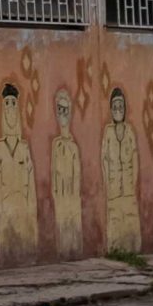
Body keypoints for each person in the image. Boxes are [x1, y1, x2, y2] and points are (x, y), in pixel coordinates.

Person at [0, 82, 38, 265]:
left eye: (13, 103)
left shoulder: (24, 148)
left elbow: (31, 186)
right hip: (5, 215)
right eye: (7, 103)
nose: (10, 108)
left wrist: (31, 212)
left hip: (23, 213)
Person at [100, 87, 141, 254]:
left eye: (121, 106)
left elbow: (135, 157)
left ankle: (133, 248)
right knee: (115, 219)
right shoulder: (108, 132)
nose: (118, 110)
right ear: (111, 109)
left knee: (131, 217)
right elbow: (104, 159)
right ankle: (116, 249)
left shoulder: (129, 131)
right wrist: (107, 183)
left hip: (128, 187)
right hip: (114, 188)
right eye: (115, 107)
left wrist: (133, 181)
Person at [49, 87, 84, 257]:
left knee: (74, 234)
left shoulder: (74, 147)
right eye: (60, 110)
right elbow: (53, 173)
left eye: (65, 110)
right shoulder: (56, 145)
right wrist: (56, 194)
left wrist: (75, 196)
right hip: (60, 199)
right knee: (62, 233)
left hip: (73, 198)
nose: (62, 114)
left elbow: (77, 175)